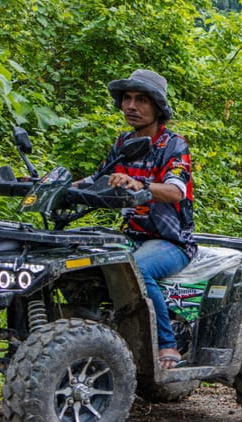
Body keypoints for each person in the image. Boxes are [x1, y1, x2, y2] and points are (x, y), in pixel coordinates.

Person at [87, 69, 196, 369]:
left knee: (137, 269)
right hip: (130, 236)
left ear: (158, 107)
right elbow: (97, 180)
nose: (131, 106)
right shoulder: (124, 142)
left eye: (141, 100)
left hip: (171, 242)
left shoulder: (173, 145)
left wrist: (140, 185)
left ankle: (166, 343)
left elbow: (175, 191)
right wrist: (52, 186)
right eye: (127, 99)